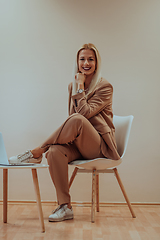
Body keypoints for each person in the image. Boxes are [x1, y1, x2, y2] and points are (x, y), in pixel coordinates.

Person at [9, 43, 120, 222]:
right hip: (79, 143)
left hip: (99, 146)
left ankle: (37, 151)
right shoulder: (73, 85)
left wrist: (80, 87)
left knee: (77, 119)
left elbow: (82, 115)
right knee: (54, 152)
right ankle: (65, 206)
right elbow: (72, 118)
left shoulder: (104, 86)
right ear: (77, 62)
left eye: (90, 59)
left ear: (97, 62)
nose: (86, 63)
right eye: (82, 59)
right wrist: (77, 86)